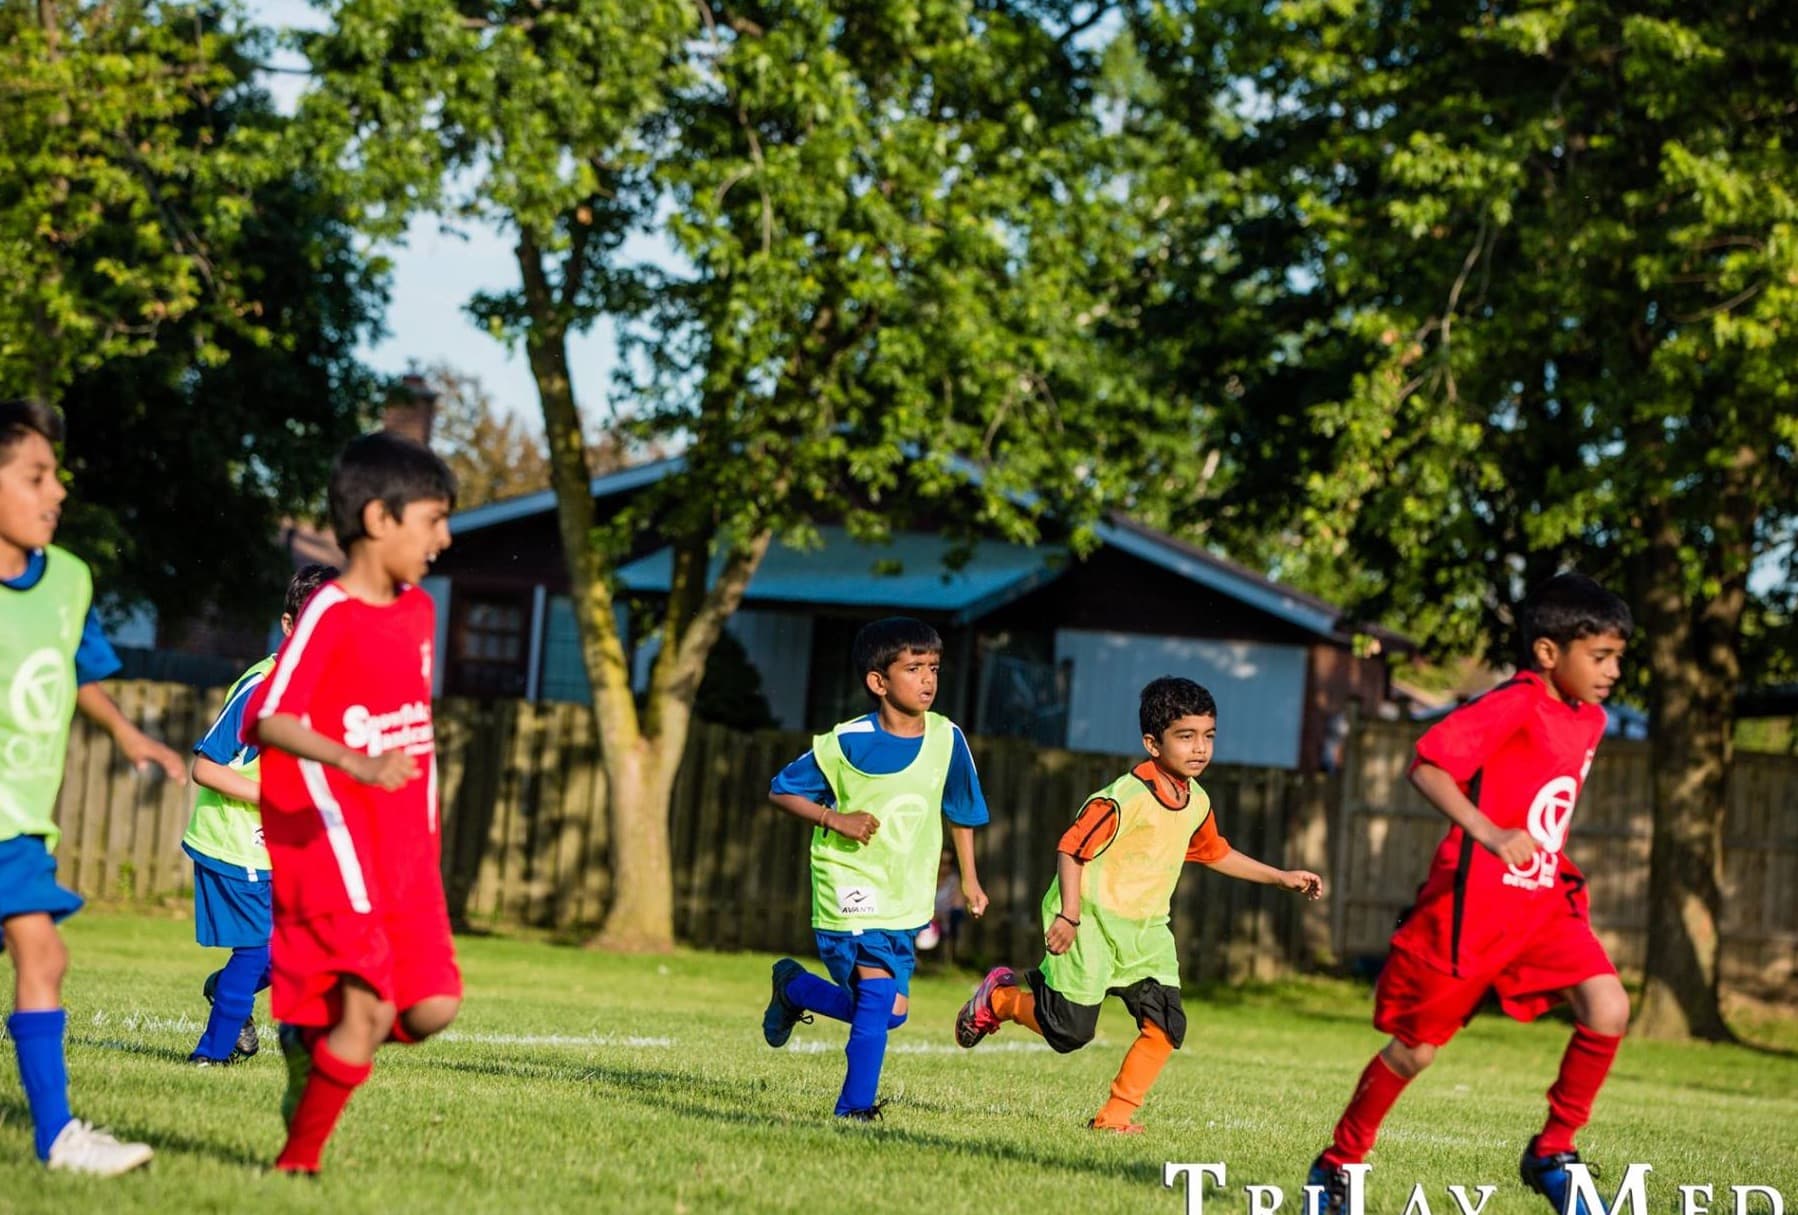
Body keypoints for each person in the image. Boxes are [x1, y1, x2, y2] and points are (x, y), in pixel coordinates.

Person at [1306, 573, 1634, 1215]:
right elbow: (1427, 764)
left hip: (1543, 904)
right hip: (1473, 909)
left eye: (1619, 656)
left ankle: (1553, 1150)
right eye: (1600, 656)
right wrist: (1488, 832)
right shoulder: (1514, 702)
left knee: (1608, 1007)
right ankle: (1339, 1162)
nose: (1614, 670)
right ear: (1547, 652)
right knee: (1416, 1049)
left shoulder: (1590, 719)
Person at [955, 676, 1322, 1133]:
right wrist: (1069, 915)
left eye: (1208, 736)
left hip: (1146, 932)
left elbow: (1215, 852)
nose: (1200, 748)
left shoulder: (1196, 800)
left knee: (1166, 1025)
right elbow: (1071, 849)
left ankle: (1114, 1118)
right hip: (1087, 920)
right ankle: (1002, 999)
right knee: (1070, 1032)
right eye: (1185, 737)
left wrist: (1281, 877)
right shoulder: (1122, 799)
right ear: (1152, 743)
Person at [242, 431, 460, 1174]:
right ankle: (296, 1163)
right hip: (340, 847)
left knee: (433, 1007)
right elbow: (270, 717)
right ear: (378, 519)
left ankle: (316, 1041)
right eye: (433, 519)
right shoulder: (329, 612)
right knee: (366, 1009)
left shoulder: (422, 611)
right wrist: (352, 761)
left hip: (409, 854)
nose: (446, 537)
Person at [0, 398, 186, 1175]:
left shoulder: (70, 580)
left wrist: (126, 731)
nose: (57, 493)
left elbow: (75, 668)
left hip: (19, 823)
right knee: (42, 953)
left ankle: (58, 1138)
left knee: (43, 956)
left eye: (57, 478)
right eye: (35, 476)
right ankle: (58, 1137)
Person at [760, 616, 989, 1119]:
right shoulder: (846, 742)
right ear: (878, 682)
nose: (928, 679)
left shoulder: (948, 738)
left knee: (888, 1014)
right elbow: (782, 790)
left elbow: (963, 810)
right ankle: (855, 1108)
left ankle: (794, 987)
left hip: (907, 894)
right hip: (849, 885)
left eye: (933, 668)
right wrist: (834, 818)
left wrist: (970, 880)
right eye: (914, 668)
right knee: (877, 991)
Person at [183, 562, 338, 1066]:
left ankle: (227, 987)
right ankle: (212, 1055)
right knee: (255, 950)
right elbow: (205, 768)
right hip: (235, 840)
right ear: (289, 625)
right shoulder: (261, 689)